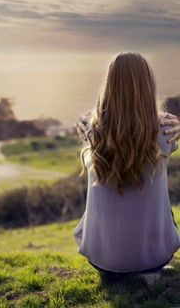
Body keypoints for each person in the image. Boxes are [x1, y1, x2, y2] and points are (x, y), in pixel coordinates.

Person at [73, 52, 180, 285]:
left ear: (108, 85)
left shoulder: (92, 129)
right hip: (154, 260)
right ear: (147, 85)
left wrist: (88, 118)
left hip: (102, 259)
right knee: (166, 207)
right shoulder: (166, 129)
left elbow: (97, 121)